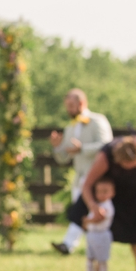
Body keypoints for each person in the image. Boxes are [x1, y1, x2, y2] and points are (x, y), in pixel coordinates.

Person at [50, 89, 113, 254]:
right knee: (82, 212)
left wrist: (82, 149)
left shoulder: (98, 121)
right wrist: (57, 147)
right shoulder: (70, 127)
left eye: (71, 105)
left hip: (97, 176)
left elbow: (107, 145)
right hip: (79, 178)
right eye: (67, 106)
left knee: (81, 211)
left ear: (82, 103)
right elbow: (64, 158)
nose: (68, 109)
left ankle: (68, 245)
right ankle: (77, 246)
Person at [77, 138, 136, 271]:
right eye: (125, 163)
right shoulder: (106, 157)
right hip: (108, 197)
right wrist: (93, 206)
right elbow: (87, 185)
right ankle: (99, 268)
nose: (128, 166)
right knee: (102, 234)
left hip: (133, 196)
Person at [84, 178, 114, 271]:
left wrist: (87, 221)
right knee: (90, 256)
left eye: (105, 191)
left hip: (102, 234)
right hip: (92, 233)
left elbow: (100, 217)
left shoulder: (107, 206)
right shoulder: (97, 204)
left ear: (112, 193)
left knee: (102, 258)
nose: (101, 194)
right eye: (98, 192)